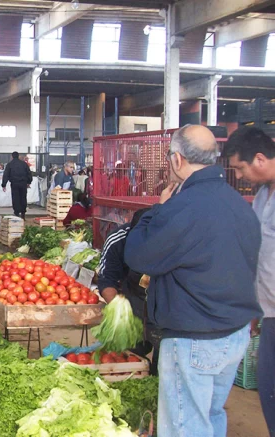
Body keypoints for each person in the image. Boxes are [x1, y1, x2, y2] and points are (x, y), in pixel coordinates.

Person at [124, 125, 263, 437]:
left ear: (176, 160)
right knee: (211, 416)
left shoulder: (182, 207)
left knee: (185, 426)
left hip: (195, 336)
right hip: (235, 332)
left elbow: (138, 255)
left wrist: (156, 210)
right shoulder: (239, 204)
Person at [223, 126, 275, 437]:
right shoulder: (262, 195)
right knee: (268, 389)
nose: (239, 177)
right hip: (269, 311)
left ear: (259, 158)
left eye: (240, 169)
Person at [98, 207, 160, 375]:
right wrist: (120, 309)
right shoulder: (118, 240)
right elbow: (106, 278)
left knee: (163, 368)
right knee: (126, 361)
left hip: (164, 307)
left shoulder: (171, 240)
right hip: (132, 301)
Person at [2, 151, 32, 220]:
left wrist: (4, 185)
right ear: (18, 156)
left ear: (12, 157)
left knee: (16, 198)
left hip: (14, 184)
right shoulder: (24, 164)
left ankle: (16, 213)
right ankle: (23, 214)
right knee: (23, 198)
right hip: (23, 184)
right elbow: (29, 173)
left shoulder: (9, 164)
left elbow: (6, 175)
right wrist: (28, 182)